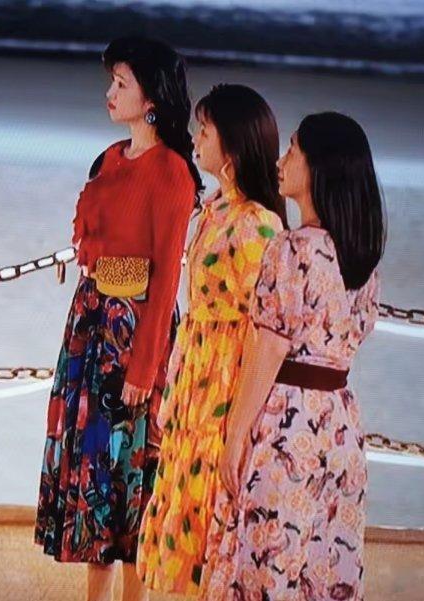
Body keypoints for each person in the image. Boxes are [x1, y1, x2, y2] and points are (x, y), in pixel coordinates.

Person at [34, 36, 203, 601]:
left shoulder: (173, 172)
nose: (110, 92)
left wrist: (145, 368)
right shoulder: (109, 158)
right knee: (93, 471)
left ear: (150, 97)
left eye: (121, 83)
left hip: (133, 334)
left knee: (132, 477)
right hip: (90, 324)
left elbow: (166, 278)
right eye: (111, 81)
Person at [201, 112, 386, 601]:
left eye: (293, 151)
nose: (280, 161)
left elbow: (269, 348)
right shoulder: (363, 260)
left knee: (265, 564)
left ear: (319, 166)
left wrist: (236, 434)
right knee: (324, 565)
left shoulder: (292, 249)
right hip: (340, 426)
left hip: (288, 423)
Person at [137, 84, 286, 596]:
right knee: (186, 505)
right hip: (196, 374)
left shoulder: (260, 225)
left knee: (214, 513)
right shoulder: (216, 208)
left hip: (227, 380)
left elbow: (262, 329)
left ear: (234, 146)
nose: (196, 138)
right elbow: (195, 309)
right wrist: (174, 385)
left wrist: (244, 419)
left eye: (206, 130)